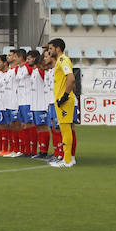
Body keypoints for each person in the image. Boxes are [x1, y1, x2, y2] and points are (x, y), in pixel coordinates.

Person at [47, 38, 76, 168]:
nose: (49, 51)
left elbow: (71, 78)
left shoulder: (63, 60)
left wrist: (64, 96)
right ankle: (68, 158)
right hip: (60, 100)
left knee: (65, 129)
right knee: (64, 129)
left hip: (64, 100)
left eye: (51, 48)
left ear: (58, 48)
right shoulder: (59, 60)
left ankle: (67, 160)